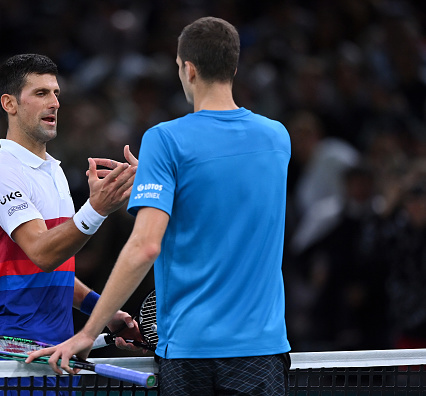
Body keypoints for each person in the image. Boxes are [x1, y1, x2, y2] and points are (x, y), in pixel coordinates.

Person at [27, 17, 292, 396]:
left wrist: (87, 333)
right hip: (261, 355)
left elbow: (145, 246)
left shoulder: (165, 140)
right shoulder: (277, 138)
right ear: (233, 67)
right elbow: (227, 194)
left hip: (190, 356)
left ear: (187, 68)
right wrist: (164, 180)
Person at [0, 54, 141, 391]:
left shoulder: (55, 172)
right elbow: (43, 253)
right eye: (41, 93)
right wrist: (96, 209)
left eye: (56, 93)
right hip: (14, 359)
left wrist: (103, 312)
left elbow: (54, 272)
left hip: (60, 356)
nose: (54, 103)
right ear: (10, 103)